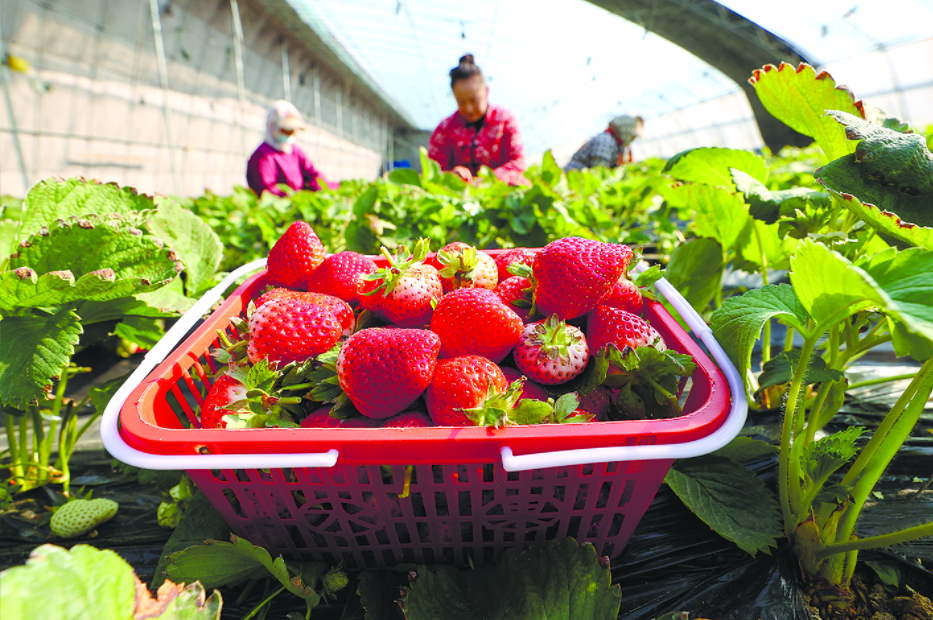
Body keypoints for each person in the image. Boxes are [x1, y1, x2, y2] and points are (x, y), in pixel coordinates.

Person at [427, 54, 528, 186]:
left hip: (500, 193)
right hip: (460, 198)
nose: (468, 108)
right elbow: (433, 171)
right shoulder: (444, 130)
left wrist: (488, 181)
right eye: (461, 102)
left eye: (474, 100)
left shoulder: (505, 121)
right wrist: (451, 176)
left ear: (486, 92)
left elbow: (517, 162)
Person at [246, 100, 329, 196]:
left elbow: (313, 173)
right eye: (286, 130)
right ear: (273, 126)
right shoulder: (262, 156)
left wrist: (318, 188)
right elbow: (266, 190)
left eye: (293, 131)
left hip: (297, 202)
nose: (290, 135)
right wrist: (293, 198)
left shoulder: (295, 151)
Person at [564, 115, 644, 171]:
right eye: (632, 136)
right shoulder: (606, 141)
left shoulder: (616, 146)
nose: (631, 139)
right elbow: (598, 170)